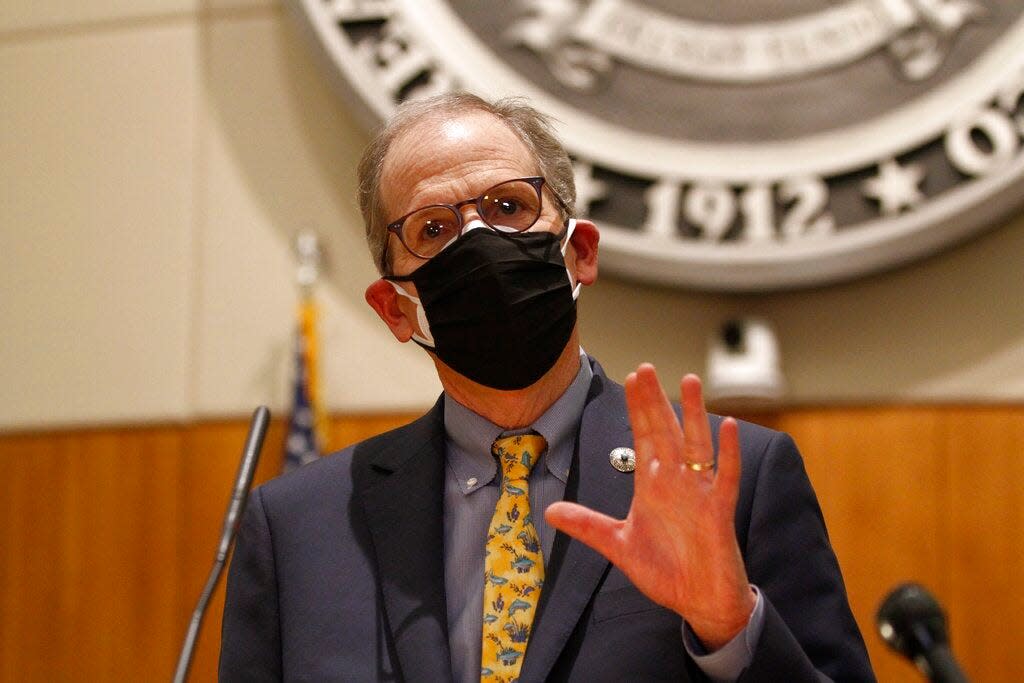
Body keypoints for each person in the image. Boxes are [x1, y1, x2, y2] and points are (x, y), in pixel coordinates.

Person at [220, 93, 874, 682]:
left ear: (579, 251)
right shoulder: (298, 527)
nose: (477, 241)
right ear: (395, 309)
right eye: (433, 230)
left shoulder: (734, 482)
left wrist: (730, 626)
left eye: (509, 206)